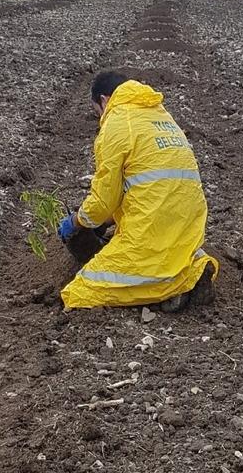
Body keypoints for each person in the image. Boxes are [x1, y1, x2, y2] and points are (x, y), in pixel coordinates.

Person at [57, 70, 218, 312]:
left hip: (152, 224)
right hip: (187, 223)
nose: (100, 117)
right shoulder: (161, 116)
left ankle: (168, 289)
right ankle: (191, 272)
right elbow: (145, 187)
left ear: (104, 100)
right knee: (176, 256)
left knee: (79, 292)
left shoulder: (117, 123)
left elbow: (103, 201)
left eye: (97, 111)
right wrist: (107, 221)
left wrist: (77, 221)